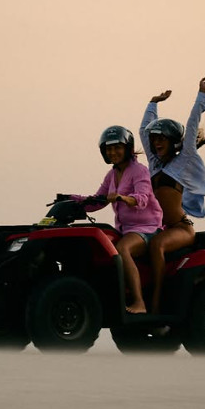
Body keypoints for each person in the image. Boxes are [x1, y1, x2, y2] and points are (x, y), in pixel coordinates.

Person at [140, 73, 205, 314]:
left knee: (157, 246)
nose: (157, 143)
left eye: (162, 139)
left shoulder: (184, 160)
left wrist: (202, 93)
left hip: (180, 228)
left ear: (173, 141)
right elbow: (143, 131)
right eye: (155, 139)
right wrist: (152, 103)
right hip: (159, 227)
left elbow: (192, 124)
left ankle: (156, 303)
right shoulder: (155, 164)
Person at [70, 125, 163, 313]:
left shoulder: (140, 171)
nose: (112, 152)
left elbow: (142, 199)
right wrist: (72, 200)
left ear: (127, 148)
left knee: (122, 249)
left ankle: (139, 302)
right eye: (109, 149)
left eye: (117, 147)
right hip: (124, 230)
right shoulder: (111, 175)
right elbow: (98, 201)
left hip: (147, 229)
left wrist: (123, 198)